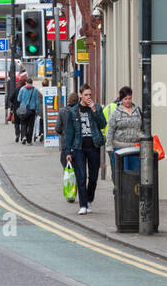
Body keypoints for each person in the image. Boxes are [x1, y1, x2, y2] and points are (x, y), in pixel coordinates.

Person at [64, 85, 106, 214]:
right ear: (80, 95)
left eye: (90, 95)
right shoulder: (73, 111)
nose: (88, 97)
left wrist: (94, 110)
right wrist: (68, 151)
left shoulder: (96, 108)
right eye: (86, 95)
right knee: (81, 177)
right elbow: (69, 132)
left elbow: (103, 124)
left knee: (93, 178)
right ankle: (82, 205)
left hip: (93, 146)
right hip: (79, 147)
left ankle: (89, 200)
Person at [105, 86, 143, 172]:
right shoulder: (116, 112)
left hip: (135, 148)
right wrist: (109, 146)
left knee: (135, 174)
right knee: (122, 174)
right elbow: (110, 129)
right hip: (120, 148)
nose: (128, 101)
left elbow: (143, 127)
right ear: (121, 99)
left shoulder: (138, 110)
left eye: (129, 98)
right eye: (125, 99)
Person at [55, 91, 79, 169]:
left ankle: (69, 179)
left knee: (66, 165)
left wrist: (63, 133)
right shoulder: (79, 110)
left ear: (68, 100)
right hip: (78, 143)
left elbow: (57, 128)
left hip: (65, 143)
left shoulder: (62, 111)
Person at [15, 76, 42, 145]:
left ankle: (23, 137)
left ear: (26, 82)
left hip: (23, 108)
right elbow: (37, 101)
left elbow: (19, 99)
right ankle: (29, 140)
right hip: (32, 110)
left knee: (23, 123)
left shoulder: (22, 89)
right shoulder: (35, 90)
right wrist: (38, 110)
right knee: (31, 125)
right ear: (32, 83)